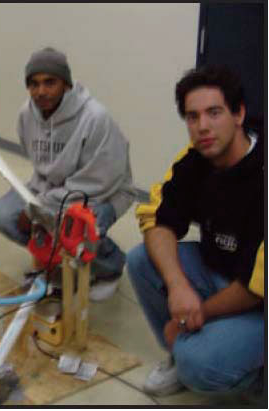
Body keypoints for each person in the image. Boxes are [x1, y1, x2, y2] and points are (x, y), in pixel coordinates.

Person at [126, 65, 264, 399]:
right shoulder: (196, 158)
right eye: (192, 116)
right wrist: (177, 286)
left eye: (214, 113)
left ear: (239, 114)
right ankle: (185, 350)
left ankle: (256, 382)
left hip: (259, 299)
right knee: (142, 259)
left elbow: (256, 286)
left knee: (198, 364)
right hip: (223, 273)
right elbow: (158, 220)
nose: (202, 127)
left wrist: (192, 316)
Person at [0, 47, 135, 301]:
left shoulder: (94, 118)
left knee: (77, 226)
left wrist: (41, 208)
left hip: (105, 191)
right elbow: (37, 162)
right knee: (4, 216)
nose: (41, 91)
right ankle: (53, 257)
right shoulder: (27, 114)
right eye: (34, 84)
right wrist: (39, 205)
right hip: (51, 187)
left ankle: (111, 266)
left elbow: (97, 182)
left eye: (50, 82)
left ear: (66, 84)